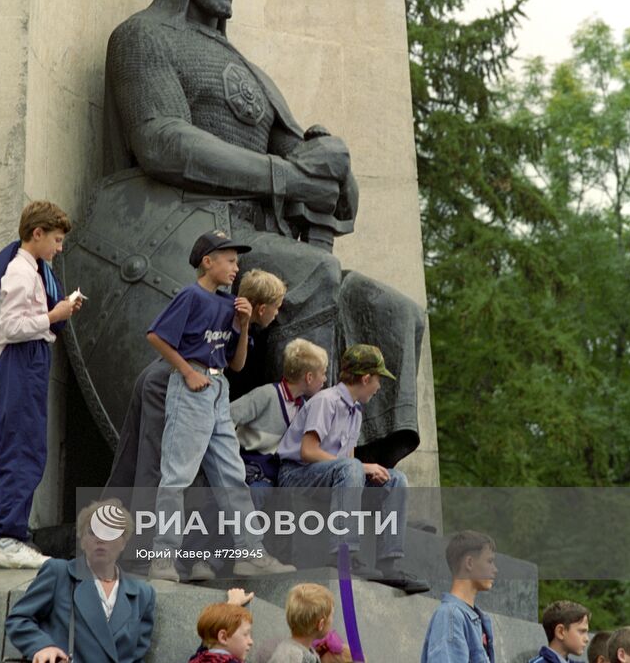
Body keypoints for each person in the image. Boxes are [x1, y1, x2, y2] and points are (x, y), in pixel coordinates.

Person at [68, 0, 426, 471]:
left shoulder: (248, 70)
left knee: (394, 309)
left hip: (264, 241)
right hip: (193, 235)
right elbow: (161, 140)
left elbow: (303, 158)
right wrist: (284, 176)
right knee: (314, 274)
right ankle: (297, 463)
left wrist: (329, 158)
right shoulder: (142, 37)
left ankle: (358, 470)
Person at [146, 231, 295, 581]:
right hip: (192, 384)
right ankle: (162, 557)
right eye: (229, 260)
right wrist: (185, 371)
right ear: (207, 261)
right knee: (178, 475)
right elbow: (156, 335)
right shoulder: (191, 295)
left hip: (218, 387)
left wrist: (243, 326)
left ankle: (249, 553)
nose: (235, 267)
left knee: (232, 475)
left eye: (237, 261)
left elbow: (237, 364)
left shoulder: (230, 304)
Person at [104, 268, 290, 492]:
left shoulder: (239, 320)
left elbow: (236, 364)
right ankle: (141, 524)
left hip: (169, 378)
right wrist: (189, 373)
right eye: (277, 307)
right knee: (154, 462)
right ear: (262, 308)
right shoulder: (216, 305)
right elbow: (161, 336)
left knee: (139, 459)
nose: (277, 313)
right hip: (168, 381)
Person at [0, 201, 83, 570]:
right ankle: (9, 536)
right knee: (26, 450)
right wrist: (55, 315)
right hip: (22, 362)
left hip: (21, 364)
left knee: (13, 450)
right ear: (37, 234)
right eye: (56, 239)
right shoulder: (21, 273)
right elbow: (13, 327)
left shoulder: (27, 269)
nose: (59, 247)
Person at [277, 344, 429, 593]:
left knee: (396, 479)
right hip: (297, 474)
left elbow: (346, 458)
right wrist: (360, 466)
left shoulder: (356, 412)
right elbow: (308, 451)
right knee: (353, 467)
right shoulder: (326, 401)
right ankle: (343, 555)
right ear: (366, 378)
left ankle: (388, 563)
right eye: (378, 380)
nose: (379, 388)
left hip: (333, 474)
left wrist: (361, 468)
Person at [5, 499, 155, 663]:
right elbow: (19, 619)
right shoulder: (59, 573)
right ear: (82, 541)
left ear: (123, 543)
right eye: (93, 532)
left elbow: (137, 656)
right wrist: (42, 646)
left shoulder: (142, 594)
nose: (100, 539)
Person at [231, 335, 329, 487]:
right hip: (248, 466)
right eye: (323, 373)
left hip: (274, 472)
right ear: (309, 377)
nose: (325, 379)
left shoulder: (304, 407)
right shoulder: (267, 394)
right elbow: (227, 416)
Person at [420, 530, 497, 663]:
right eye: (489, 561)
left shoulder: (474, 618)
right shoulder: (450, 616)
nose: (495, 569)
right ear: (469, 563)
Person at [266, 583, 334, 663]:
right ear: (321, 624)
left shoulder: (298, 651)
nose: (332, 620)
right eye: (332, 616)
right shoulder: (292, 657)